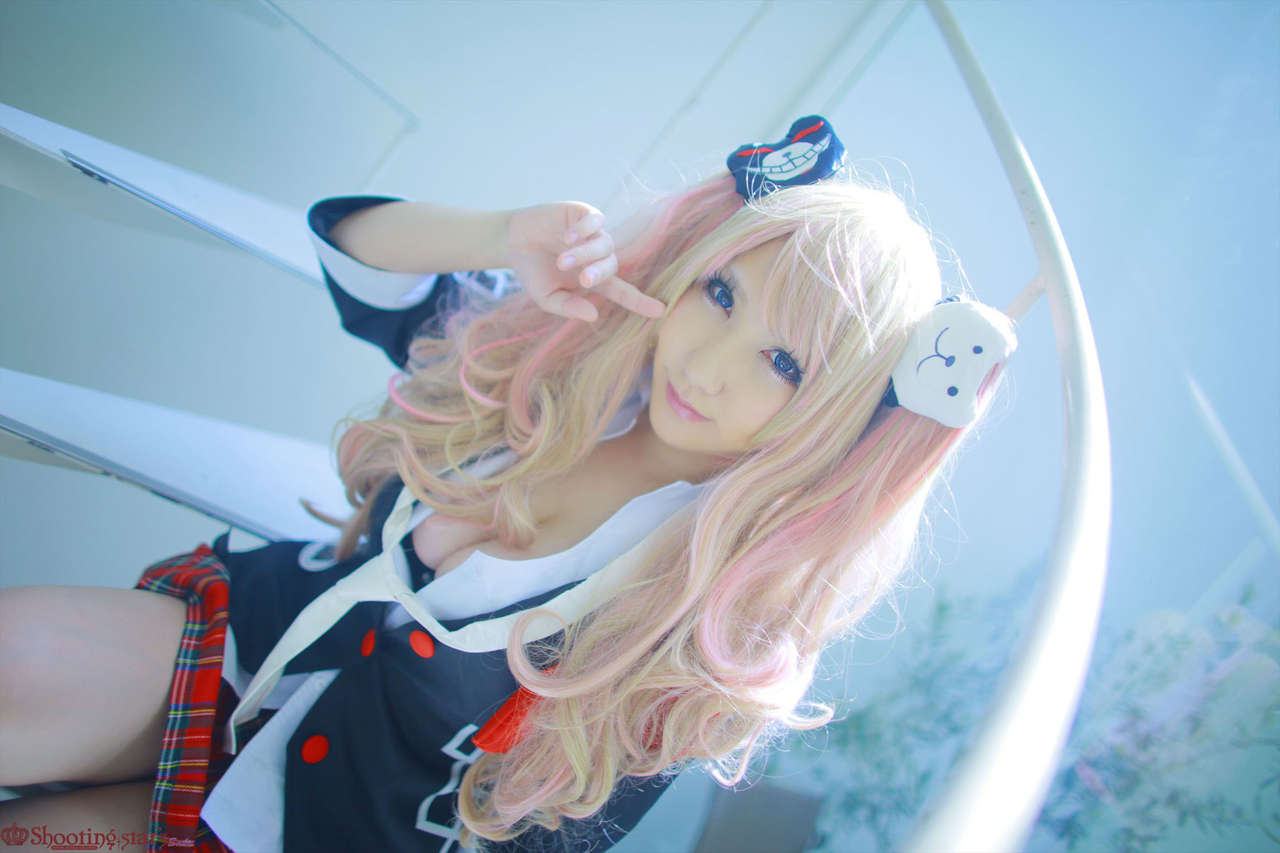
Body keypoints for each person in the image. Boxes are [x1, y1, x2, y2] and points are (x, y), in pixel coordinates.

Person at [0, 116, 1016, 851]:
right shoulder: (560, 358)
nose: (708, 365)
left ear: (833, 417)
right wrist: (501, 235)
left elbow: (552, 834)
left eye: (783, 363)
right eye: (720, 292)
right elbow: (355, 260)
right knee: (15, 656)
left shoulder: (709, 628)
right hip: (249, 645)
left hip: (328, 828)